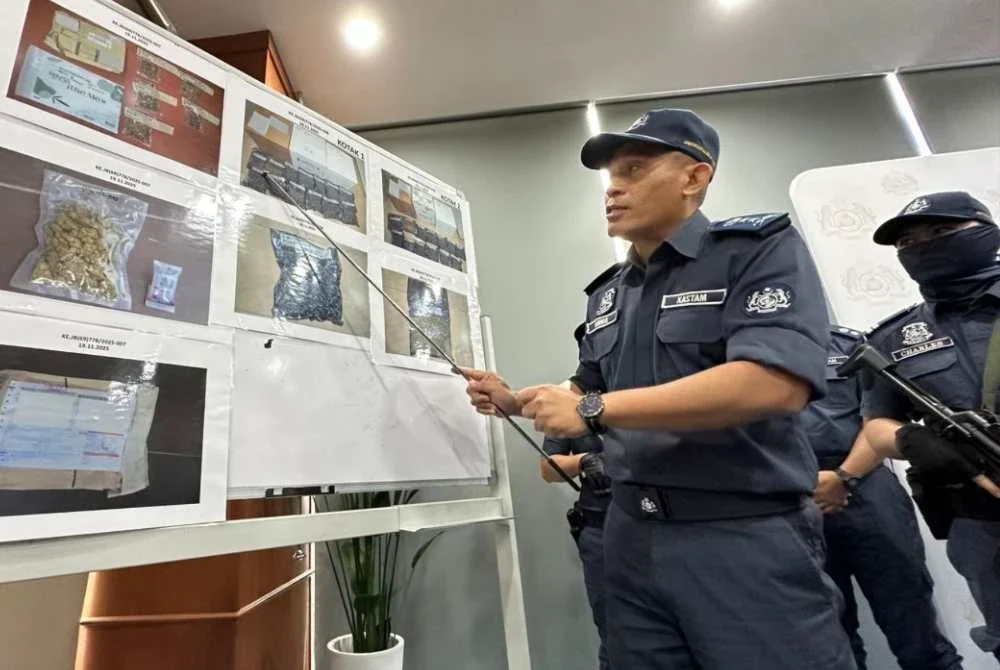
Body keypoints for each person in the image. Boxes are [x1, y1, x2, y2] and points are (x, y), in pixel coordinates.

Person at [463, 108, 855, 669]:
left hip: (740, 532)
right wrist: (514, 402)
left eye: (635, 169)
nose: (614, 188)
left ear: (695, 177)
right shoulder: (607, 294)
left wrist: (593, 410)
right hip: (629, 535)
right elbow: (587, 387)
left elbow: (772, 383)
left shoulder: (754, 252)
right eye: (610, 176)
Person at [859, 191, 1000, 662]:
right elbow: (877, 423)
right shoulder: (893, 340)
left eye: (941, 233)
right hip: (981, 517)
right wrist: (911, 441)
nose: (923, 246)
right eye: (908, 242)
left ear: (985, 231)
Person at [806, 324, 962, 670]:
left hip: (865, 484)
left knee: (917, 632)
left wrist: (844, 477)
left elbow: (882, 419)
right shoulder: (732, 352)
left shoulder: (851, 345)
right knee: (829, 643)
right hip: (789, 500)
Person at [542, 425, 611, 670]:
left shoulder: (650, 388)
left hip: (664, 527)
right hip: (601, 531)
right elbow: (548, 468)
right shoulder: (571, 396)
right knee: (614, 635)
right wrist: (583, 461)